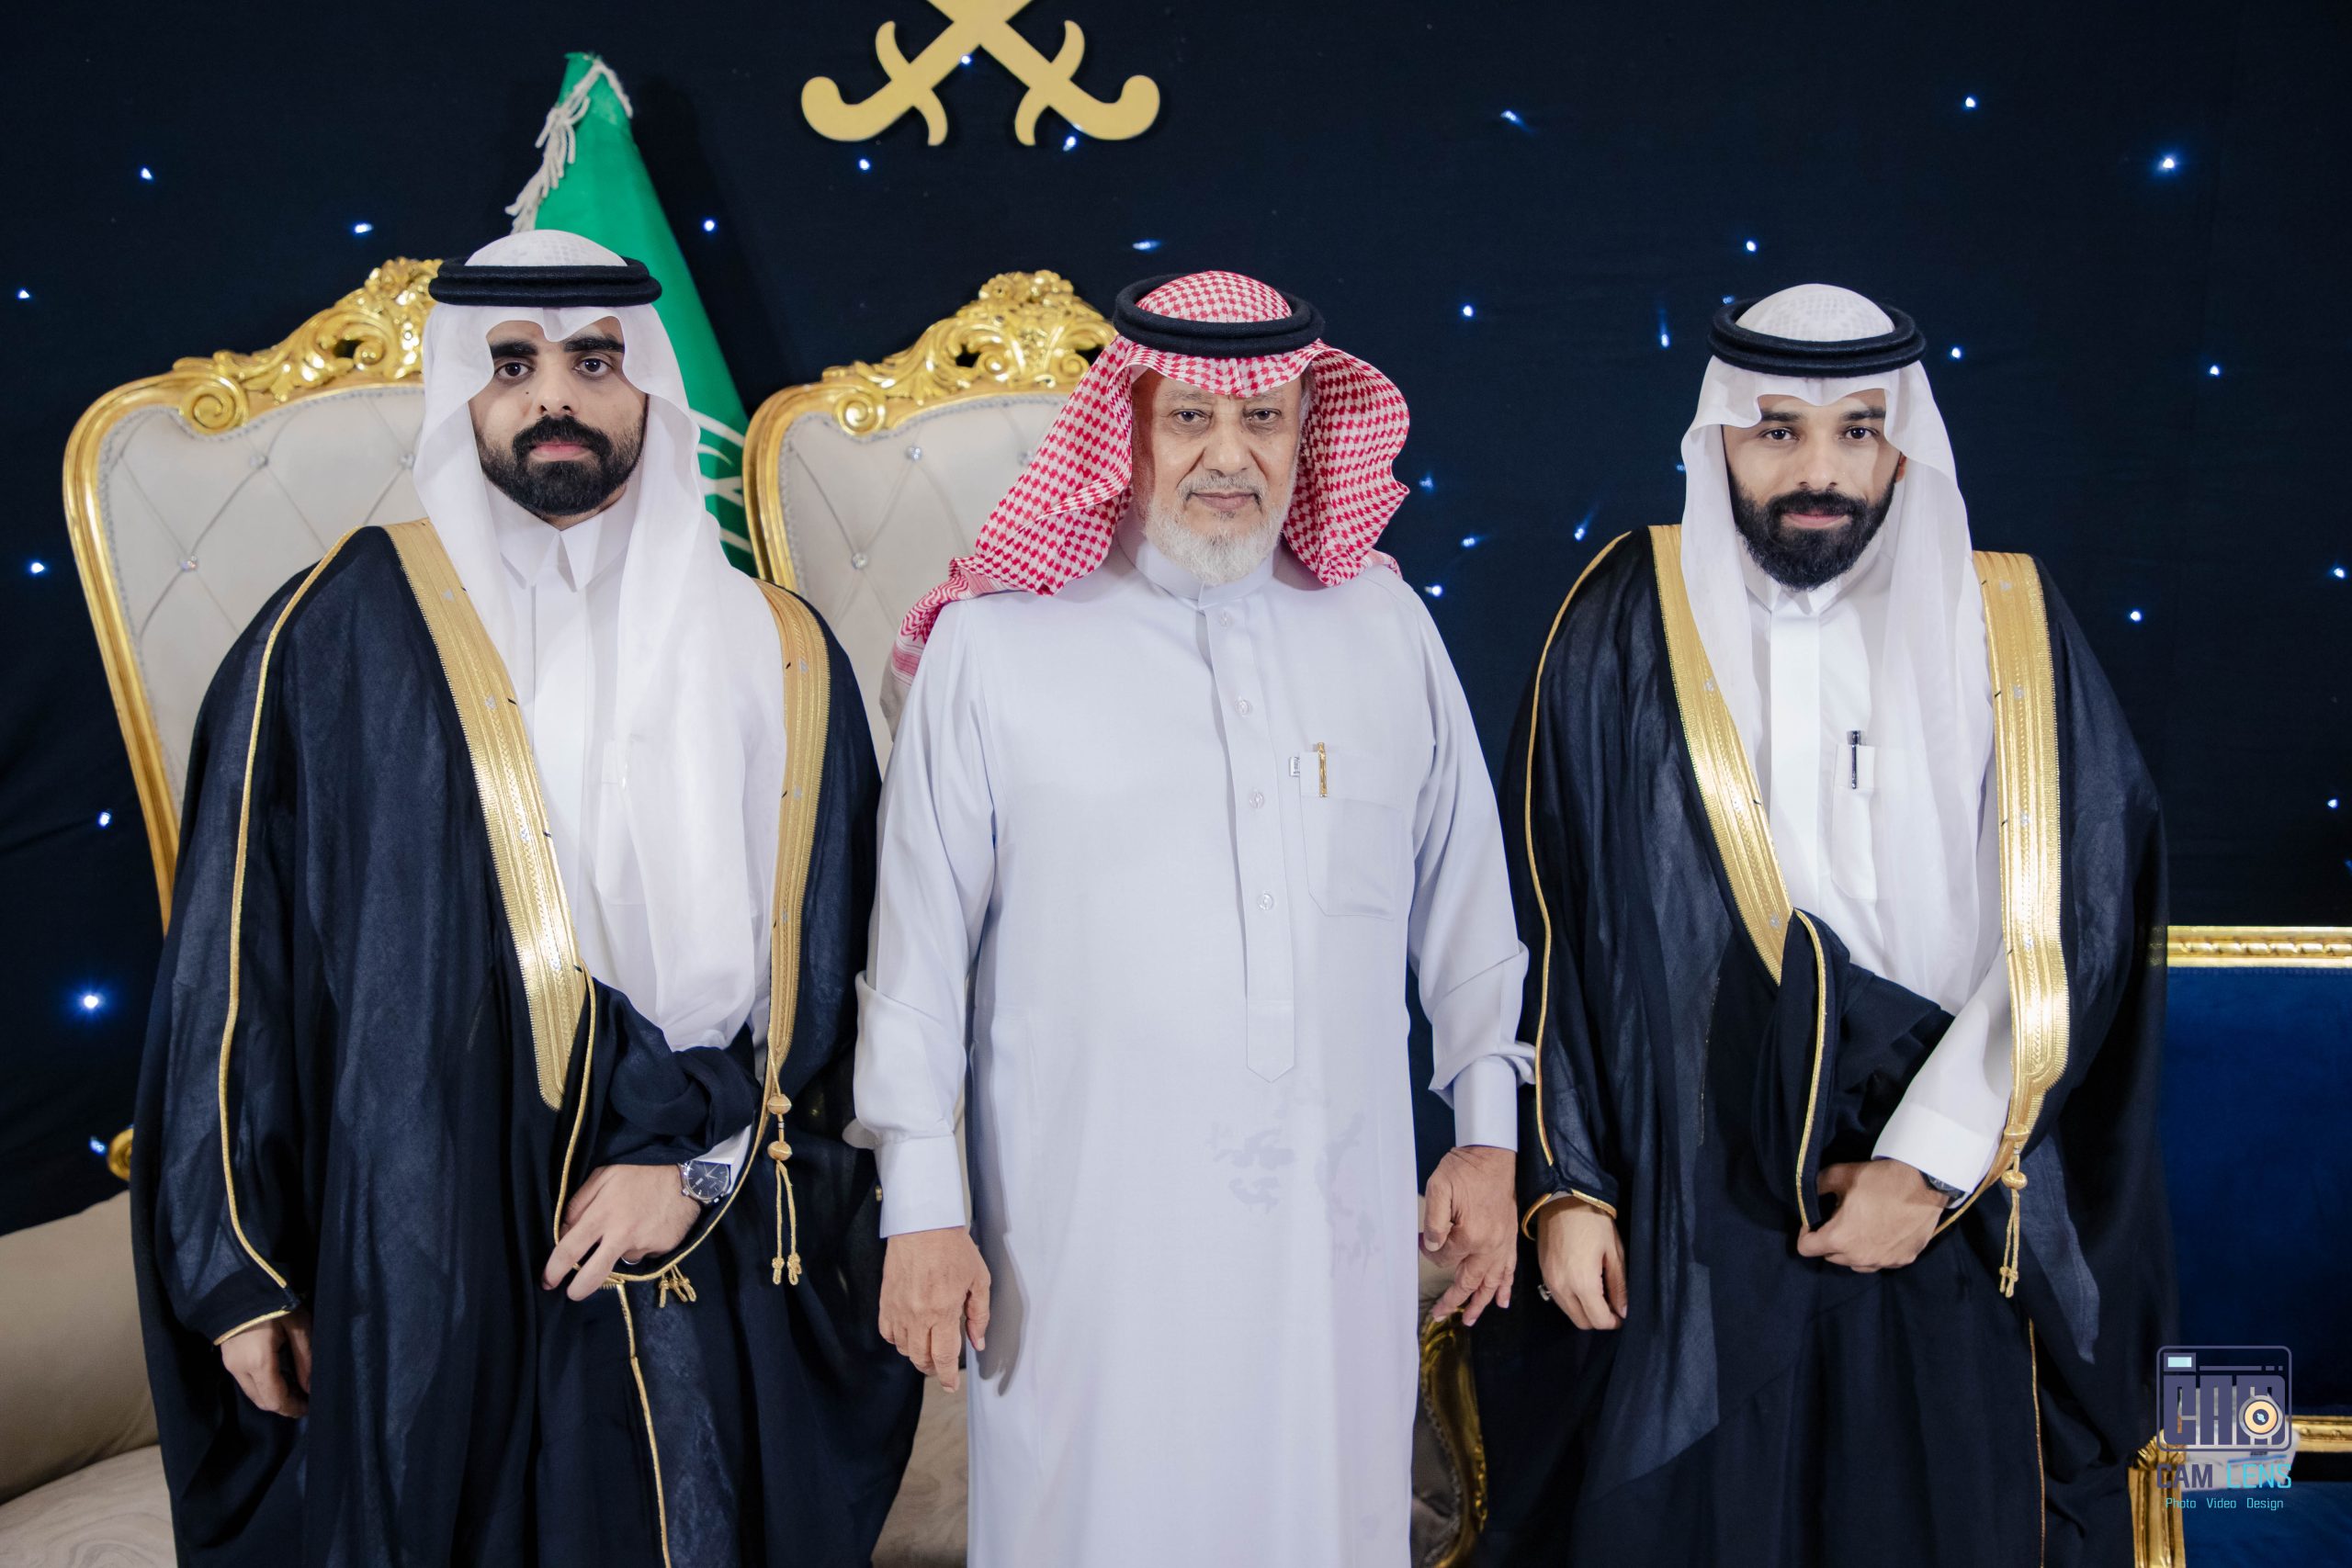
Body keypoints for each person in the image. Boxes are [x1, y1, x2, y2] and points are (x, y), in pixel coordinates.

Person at [130, 230, 918, 1566]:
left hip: (703, 1236)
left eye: (594, 361)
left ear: (648, 385)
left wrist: (696, 1165)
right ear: (465, 393)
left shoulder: (777, 652)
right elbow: (231, 966)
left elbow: (841, 969)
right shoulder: (332, 634)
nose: (554, 395)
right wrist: (237, 1269)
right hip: (428, 1240)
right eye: (511, 365)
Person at [1472, 284, 2173, 1567]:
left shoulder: (2008, 624)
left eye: (1858, 431)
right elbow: (1554, 923)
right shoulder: (1626, 619)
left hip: (1938, 1199)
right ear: (1719, 440)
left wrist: (1932, 1167)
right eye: (1778, 431)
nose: (1819, 473)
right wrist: (1572, 1185)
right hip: (1689, 1202)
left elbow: (2077, 916)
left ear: (1904, 446)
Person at [855, 270, 1532, 1565]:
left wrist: (1489, 1139)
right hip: (1080, 1237)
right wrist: (923, 1206)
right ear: (1127, 427)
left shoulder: (1385, 626)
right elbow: (917, 955)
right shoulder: (996, 646)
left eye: (1265, 419)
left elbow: (1468, 903)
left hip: (1330, 1234)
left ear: (1308, 430)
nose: (1231, 456)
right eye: (1190, 419)